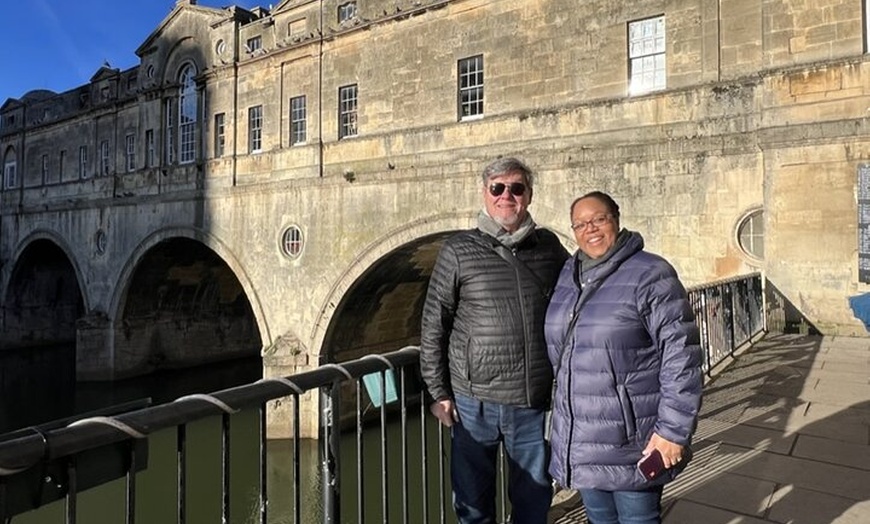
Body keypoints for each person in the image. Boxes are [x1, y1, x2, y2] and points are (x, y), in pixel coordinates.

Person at [420, 157, 570, 524]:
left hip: (531, 399)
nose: (507, 196)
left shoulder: (549, 247)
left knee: (533, 500)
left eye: (516, 188)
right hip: (474, 402)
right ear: (485, 194)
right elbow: (433, 324)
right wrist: (439, 392)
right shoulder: (459, 249)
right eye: (497, 188)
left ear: (529, 195)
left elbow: (580, 295)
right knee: (473, 503)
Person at [544, 191, 702, 524]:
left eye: (599, 219)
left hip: (632, 439)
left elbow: (681, 357)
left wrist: (673, 432)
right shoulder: (569, 275)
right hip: (583, 438)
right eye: (580, 224)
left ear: (616, 217)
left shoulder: (651, 273)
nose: (591, 229)